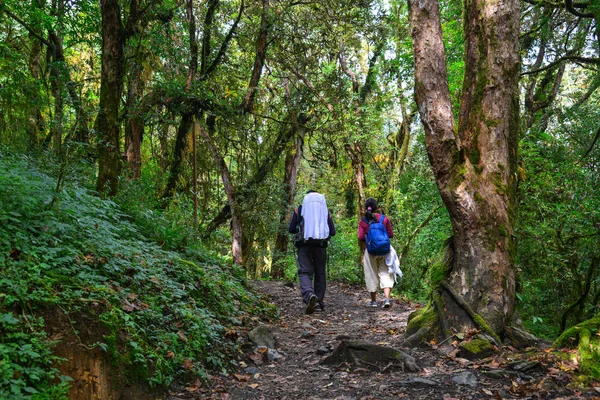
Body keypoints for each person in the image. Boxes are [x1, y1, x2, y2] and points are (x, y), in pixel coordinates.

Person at [288, 190, 336, 314]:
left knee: (304, 272)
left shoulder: (299, 209)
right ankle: (319, 301)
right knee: (320, 273)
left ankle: (309, 294)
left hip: (304, 246)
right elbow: (332, 231)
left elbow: (291, 228)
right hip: (320, 246)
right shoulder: (325, 211)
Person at [358, 198, 396, 309]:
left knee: (371, 274)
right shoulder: (384, 219)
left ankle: (374, 301)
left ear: (366, 208)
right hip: (385, 250)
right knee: (385, 273)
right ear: (377, 207)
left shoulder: (363, 221)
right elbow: (390, 234)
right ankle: (387, 299)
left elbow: (360, 237)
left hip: (370, 251)